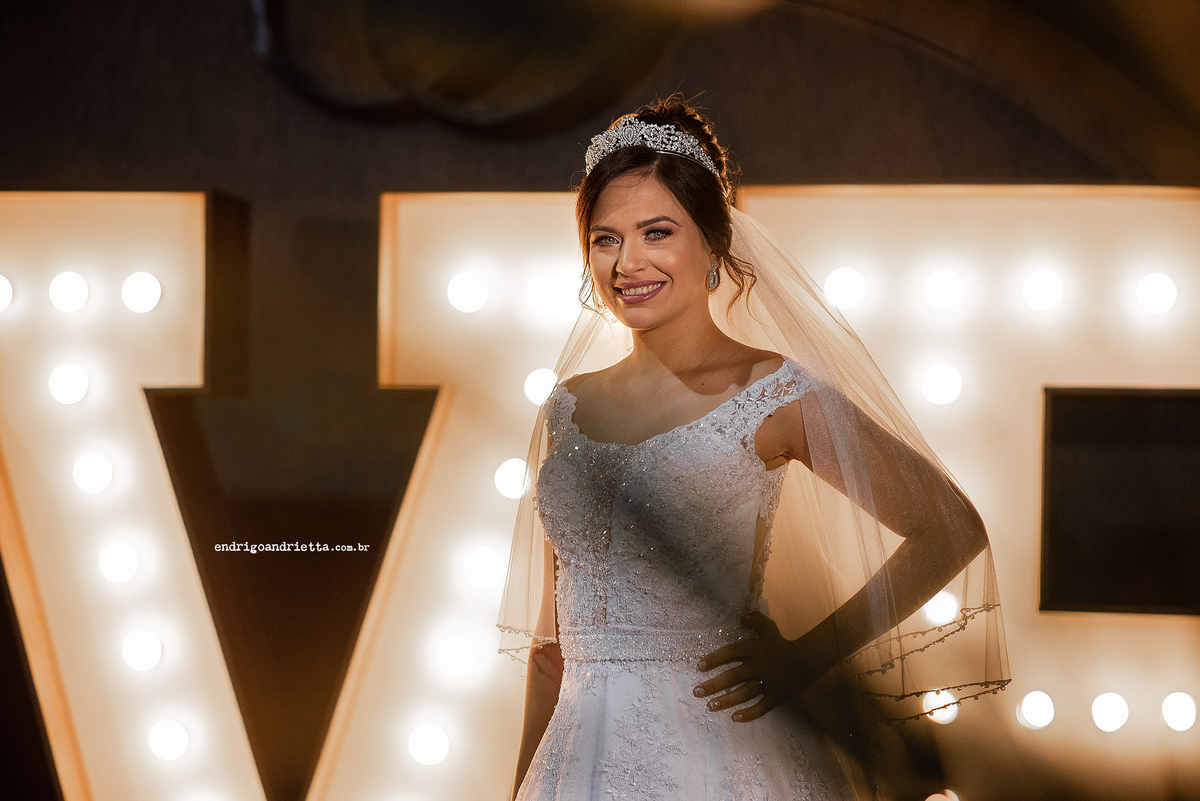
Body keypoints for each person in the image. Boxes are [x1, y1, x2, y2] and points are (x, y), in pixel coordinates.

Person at [498, 96, 1010, 800]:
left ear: (713, 243)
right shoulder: (569, 405)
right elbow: (550, 648)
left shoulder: (773, 393)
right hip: (574, 765)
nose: (627, 262)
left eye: (656, 232)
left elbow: (951, 525)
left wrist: (807, 658)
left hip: (717, 754)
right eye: (605, 239)